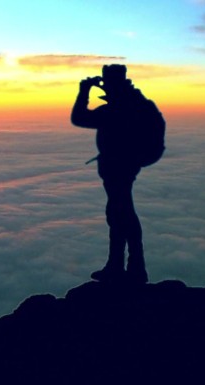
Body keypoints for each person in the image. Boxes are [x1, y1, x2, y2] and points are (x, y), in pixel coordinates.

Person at [70, 64, 164, 284]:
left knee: (120, 214)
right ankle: (123, 267)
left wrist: (84, 90)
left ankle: (130, 269)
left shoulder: (118, 108)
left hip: (119, 166)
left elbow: (79, 118)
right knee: (119, 212)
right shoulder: (137, 104)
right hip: (126, 165)